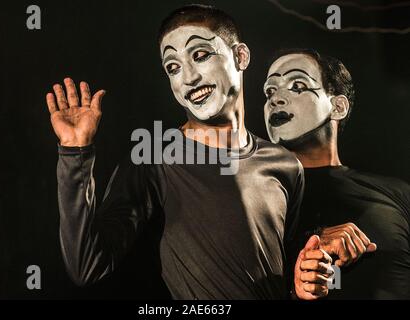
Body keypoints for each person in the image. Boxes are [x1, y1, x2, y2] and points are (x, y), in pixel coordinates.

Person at [46, 5, 353, 300]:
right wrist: (75, 153)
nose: (188, 77)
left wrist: (305, 282)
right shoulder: (154, 158)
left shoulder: (285, 165)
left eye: (201, 55)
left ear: (240, 56)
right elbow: (86, 266)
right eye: (173, 67)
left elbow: (286, 277)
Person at [262, 48, 410, 299]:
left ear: (338, 107)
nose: (275, 99)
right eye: (270, 91)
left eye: (297, 85)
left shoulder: (398, 193)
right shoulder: (258, 202)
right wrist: (297, 289)